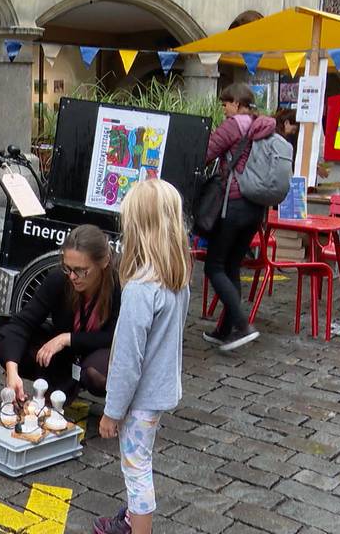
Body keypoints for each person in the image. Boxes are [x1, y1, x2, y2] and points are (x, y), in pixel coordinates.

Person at [95, 178, 190, 534]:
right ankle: (133, 519)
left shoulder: (139, 289)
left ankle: (140, 526)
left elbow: (127, 360)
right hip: (161, 389)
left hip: (141, 397)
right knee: (141, 460)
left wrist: (111, 412)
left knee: (136, 469)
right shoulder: (176, 279)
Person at [0, 224, 121, 401]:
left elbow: (113, 336)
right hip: (64, 358)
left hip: (99, 351)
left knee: (96, 375)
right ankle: (57, 385)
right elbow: (22, 323)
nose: (73, 277)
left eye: (81, 270)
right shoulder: (60, 278)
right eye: (68, 267)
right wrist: (12, 371)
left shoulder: (118, 286)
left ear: (104, 262)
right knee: (6, 343)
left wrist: (67, 339)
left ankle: (113, 406)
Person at [202, 83, 274, 351]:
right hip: (256, 207)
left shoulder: (235, 125)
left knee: (214, 267)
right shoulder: (263, 126)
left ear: (236, 103)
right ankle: (225, 329)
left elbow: (206, 152)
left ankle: (243, 325)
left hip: (232, 204)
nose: (223, 109)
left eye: (225, 104)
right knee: (231, 266)